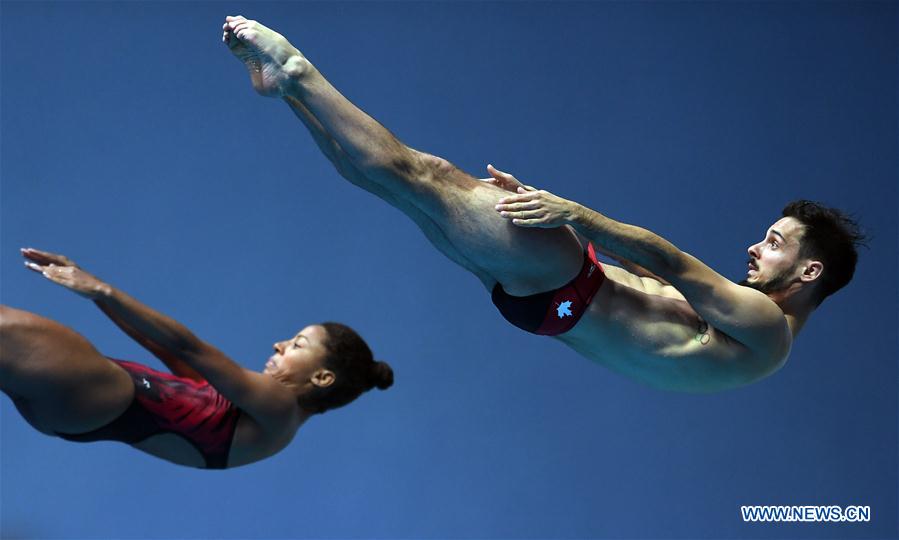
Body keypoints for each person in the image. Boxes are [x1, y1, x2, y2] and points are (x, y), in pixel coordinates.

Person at [222, 16, 864, 392]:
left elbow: (668, 262)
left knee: (423, 175)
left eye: (777, 242)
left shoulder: (768, 329)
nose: (756, 246)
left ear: (812, 272)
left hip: (565, 287)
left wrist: (571, 214)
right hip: (545, 303)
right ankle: (288, 94)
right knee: (400, 189)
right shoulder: (752, 345)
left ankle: (298, 70)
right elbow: (648, 288)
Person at [1, 248, 393, 469]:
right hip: (83, 407)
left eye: (298, 344)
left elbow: (191, 347)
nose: (279, 344)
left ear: (322, 378)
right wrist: (95, 294)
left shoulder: (281, 408)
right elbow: (167, 350)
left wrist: (104, 290)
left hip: (97, 390)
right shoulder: (247, 412)